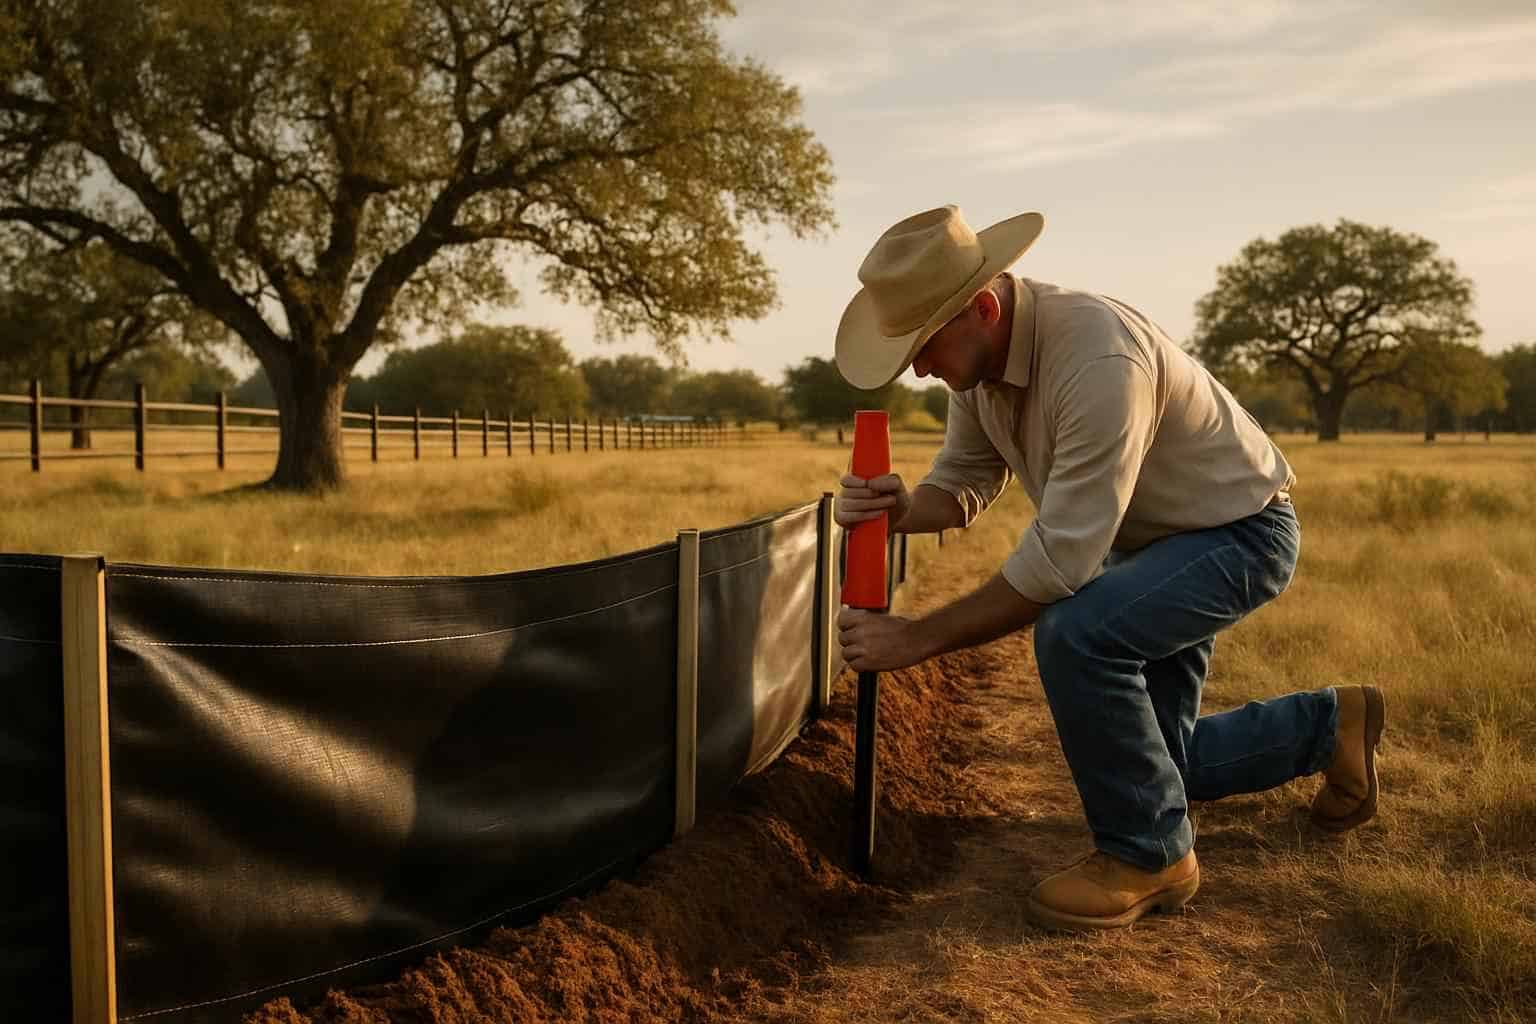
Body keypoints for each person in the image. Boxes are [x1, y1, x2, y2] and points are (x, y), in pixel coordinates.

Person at [832, 205, 1385, 932]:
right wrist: (907, 509)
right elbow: (966, 480)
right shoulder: (978, 377)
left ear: (983, 309)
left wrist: (918, 639)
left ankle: (1150, 855)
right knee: (1153, 765)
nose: (921, 369)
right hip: (1152, 546)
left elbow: (1061, 559)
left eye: (925, 347)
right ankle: (1329, 727)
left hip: (1240, 533)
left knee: (1075, 632)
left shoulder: (1097, 356)